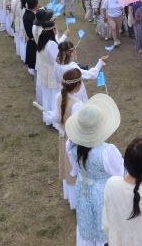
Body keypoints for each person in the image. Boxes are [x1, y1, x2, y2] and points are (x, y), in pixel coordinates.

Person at [66, 94, 125, 246]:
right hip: (102, 192)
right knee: (102, 223)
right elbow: (122, 173)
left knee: (86, 221)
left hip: (83, 188)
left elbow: (76, 167)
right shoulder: (107, 151)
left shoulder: (71, 144)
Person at [55, 68, 84, 210]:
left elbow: (58, 119)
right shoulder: (76, 105)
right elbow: (80, 127)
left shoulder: (59, 96)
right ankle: (77, 202)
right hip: (74, 141)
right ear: (77, 85)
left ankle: (71, 198)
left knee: (68, 168)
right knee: (74, 169)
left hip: (64, 136)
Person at [37, 20, 63, 126]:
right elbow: (57, 59)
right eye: (55, 28)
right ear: (52, 30)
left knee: (47, 96)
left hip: (44, 71)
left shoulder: (41, 41)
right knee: (54, 97)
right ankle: (54, 121)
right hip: (51, 73)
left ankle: (48, 119)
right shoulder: (51, 43)